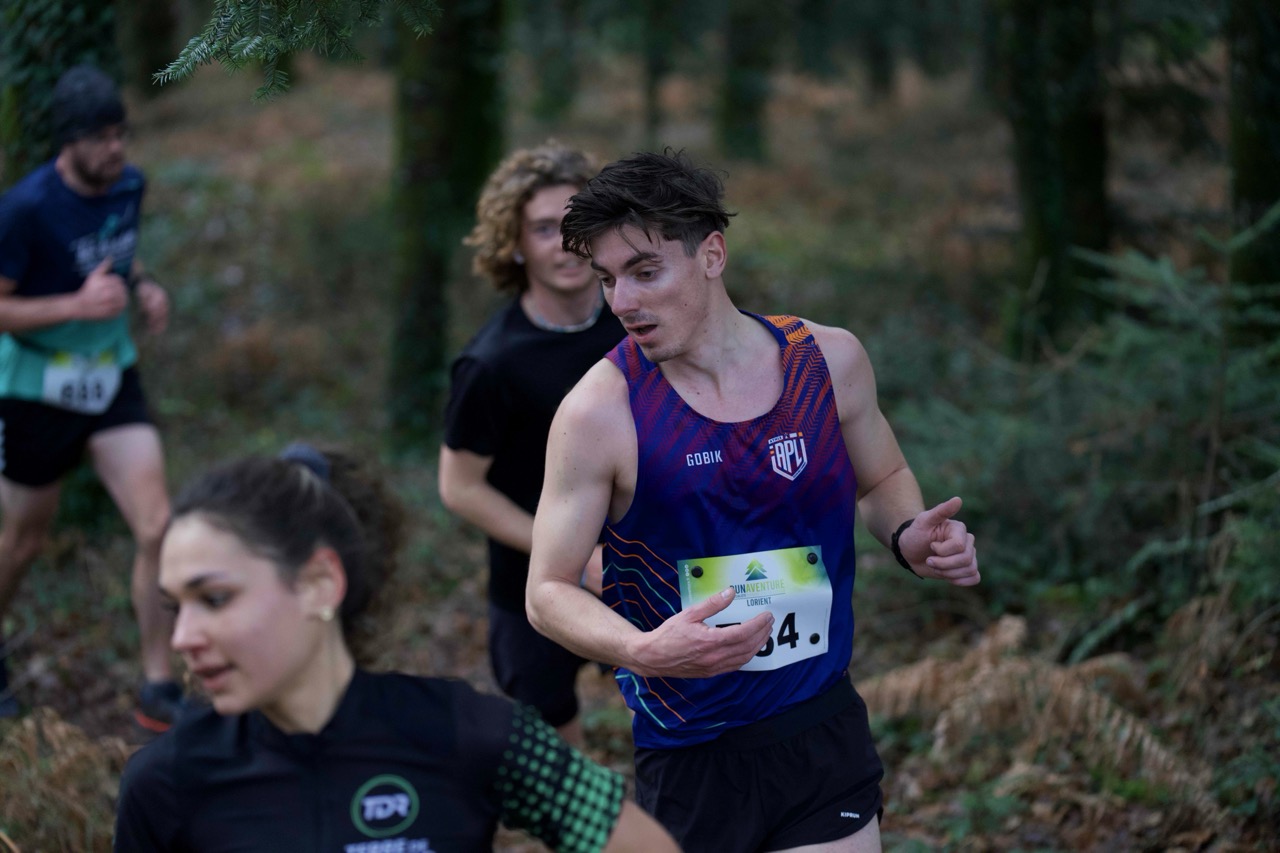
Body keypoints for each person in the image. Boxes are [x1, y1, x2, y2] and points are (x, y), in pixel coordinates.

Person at [525, 150, 981, 853]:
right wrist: (642, 649)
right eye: (608, 279)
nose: (622, 303)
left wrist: (908, 533)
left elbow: (882, 478)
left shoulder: (827, 361)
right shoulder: (599, 413)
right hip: (692, 752)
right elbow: (547, 590)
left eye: (645, 272)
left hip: (819, 728)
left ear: (712, 254)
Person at [114, 444, 680, 852]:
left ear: (319, 585)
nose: (183, 637)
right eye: (175, 607)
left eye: (214, 599)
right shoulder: (163, 783)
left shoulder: (471, 732)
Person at [0, 64, 177, 728]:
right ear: (68, 142)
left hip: (110, 377)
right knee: (24, 540)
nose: (116, 148)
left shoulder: (130, 184)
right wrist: (74, 305)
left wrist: (144, 286)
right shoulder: (24, 210)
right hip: (34, 387)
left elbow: (122, 254)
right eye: (102, 138)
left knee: (157, 526)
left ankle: (158, 683)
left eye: (121, 134)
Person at [439, 142, 624, 745]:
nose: (565, 243)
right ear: (514, 244)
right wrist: (572, 553)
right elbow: (460, 488)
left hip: (644, 559)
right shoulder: (491, 363)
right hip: (533, 579)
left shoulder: (639, 322)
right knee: (555, 754)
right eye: (545, 229)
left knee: (681, 720)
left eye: (576, 224)